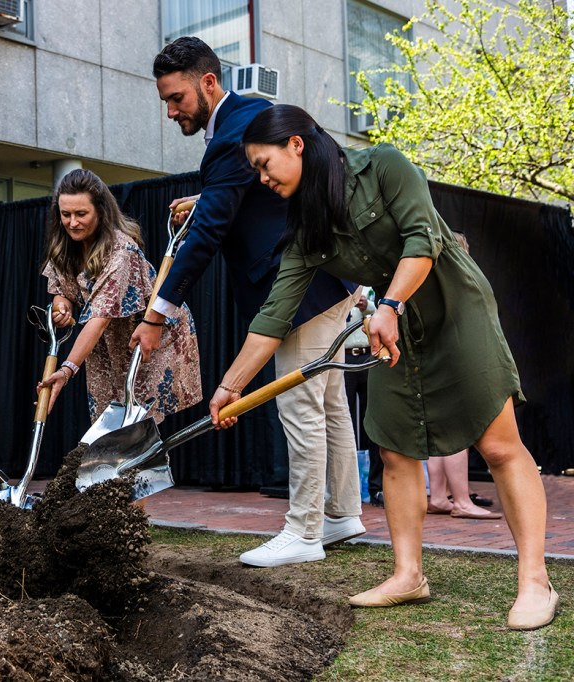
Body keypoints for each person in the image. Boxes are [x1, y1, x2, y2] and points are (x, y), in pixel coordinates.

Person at [210, 103, 557, 629]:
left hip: (454, 312)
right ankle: (408, 575)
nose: (261, 178)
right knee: (393, 449)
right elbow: (276, 313)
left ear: (296, 145)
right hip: (390, 330)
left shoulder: (384, 166)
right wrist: (230, 386)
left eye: (263, 164)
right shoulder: (308, 228)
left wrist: (389, 305)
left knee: (500, 444)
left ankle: (536, 582)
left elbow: (424, 238)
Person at [133, 36, 364, 567]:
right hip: (332, 278)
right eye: (166, 101)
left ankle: (304, 532)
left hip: (298, 285)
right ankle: (341, 513)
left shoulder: (234, 133)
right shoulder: (254, 119)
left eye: (177, 99)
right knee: (328, 402)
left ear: (208, 83)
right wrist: (205, 197)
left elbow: (209, 234)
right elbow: (247, 193)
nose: (171, 111)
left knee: (300, 405)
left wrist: (156, 314)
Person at [37, 168, 202, 426]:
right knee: (108, 420)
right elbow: (62, 289)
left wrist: (67, 370)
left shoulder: (121, 251)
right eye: (65, 214)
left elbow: (99, 318)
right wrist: (62, 307)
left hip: (153, 335)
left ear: (101, 212)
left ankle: (144, 465)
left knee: (138, 424)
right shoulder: (66, 244)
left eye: (81, 214)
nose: (72, 222)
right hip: (108, 342)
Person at [425, 233, 501, 520]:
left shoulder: (425, 277)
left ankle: (439, 496)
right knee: (458, 435)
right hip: (454, 361)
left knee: (438, 436)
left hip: (432, 361)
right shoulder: (458, 279)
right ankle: (462, 500)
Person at [343, 286, 377, 503]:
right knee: (342, 421)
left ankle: (376, 487)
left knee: (373, 421)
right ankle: (345, 488)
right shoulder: (336, 279)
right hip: (343, 357)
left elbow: (385, 310)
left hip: (369, 355)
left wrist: (367, 307)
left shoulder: (372, 280)